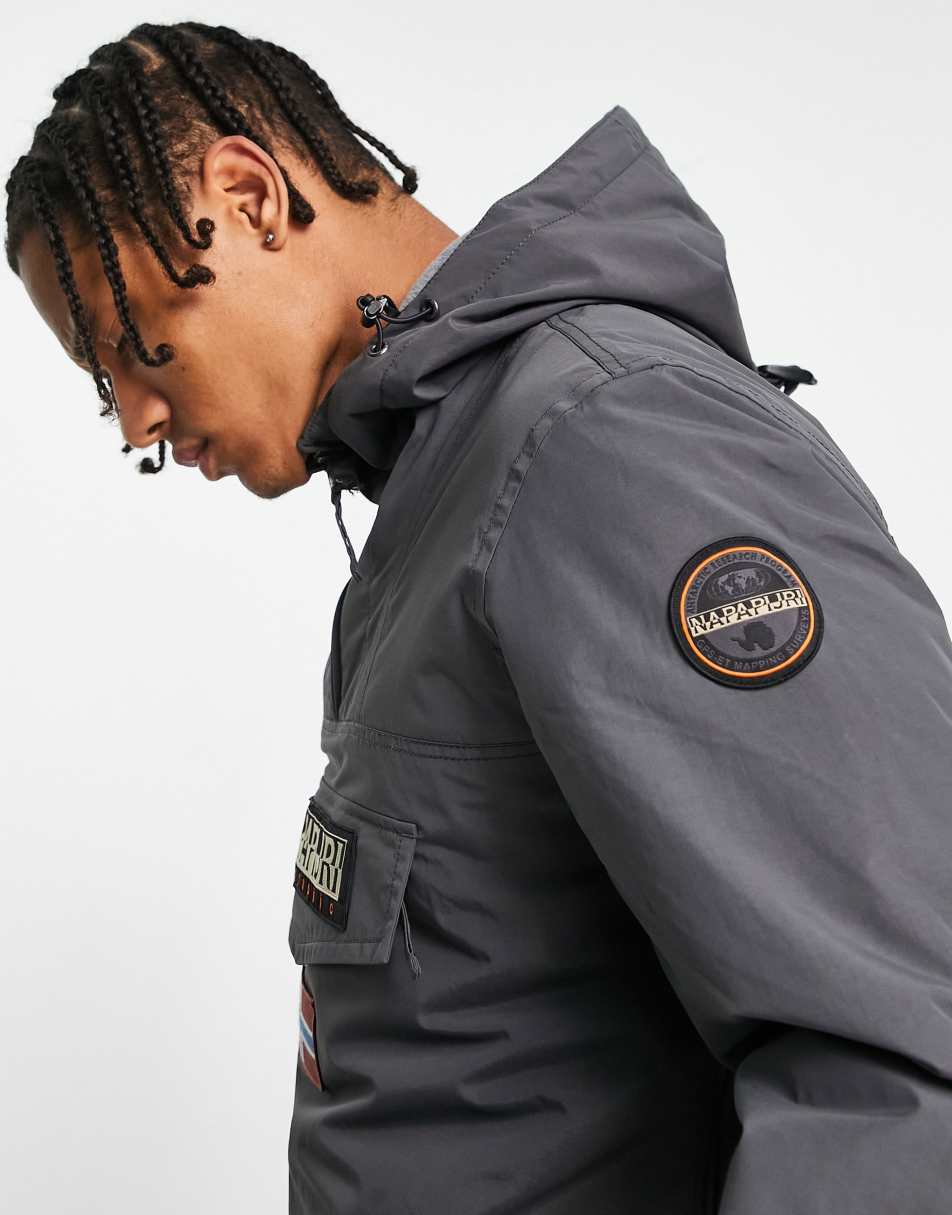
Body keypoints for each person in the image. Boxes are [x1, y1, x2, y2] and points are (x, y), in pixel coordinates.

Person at [7, 20, 952, 1215]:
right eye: (105, 390)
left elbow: (898, 1060)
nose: (137, 417)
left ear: (247, 197)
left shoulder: (606, 444)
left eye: (129, 344)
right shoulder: (448, 491)